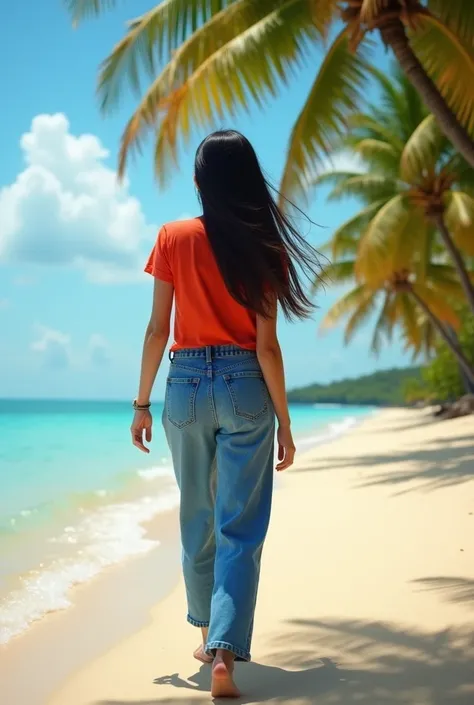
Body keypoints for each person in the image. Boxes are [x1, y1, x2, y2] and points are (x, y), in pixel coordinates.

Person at [131, 130, 321, 698]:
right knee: (240, 527)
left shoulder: (173, 236)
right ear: (248, 180)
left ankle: (210, 632)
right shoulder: (267, 247)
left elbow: (157, 329)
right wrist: (285, 422)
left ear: (199, 182)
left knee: (197, 516)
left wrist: (141, 403)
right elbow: (267, 347)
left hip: (185, 384)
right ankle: (224, 651)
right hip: (245, 386)